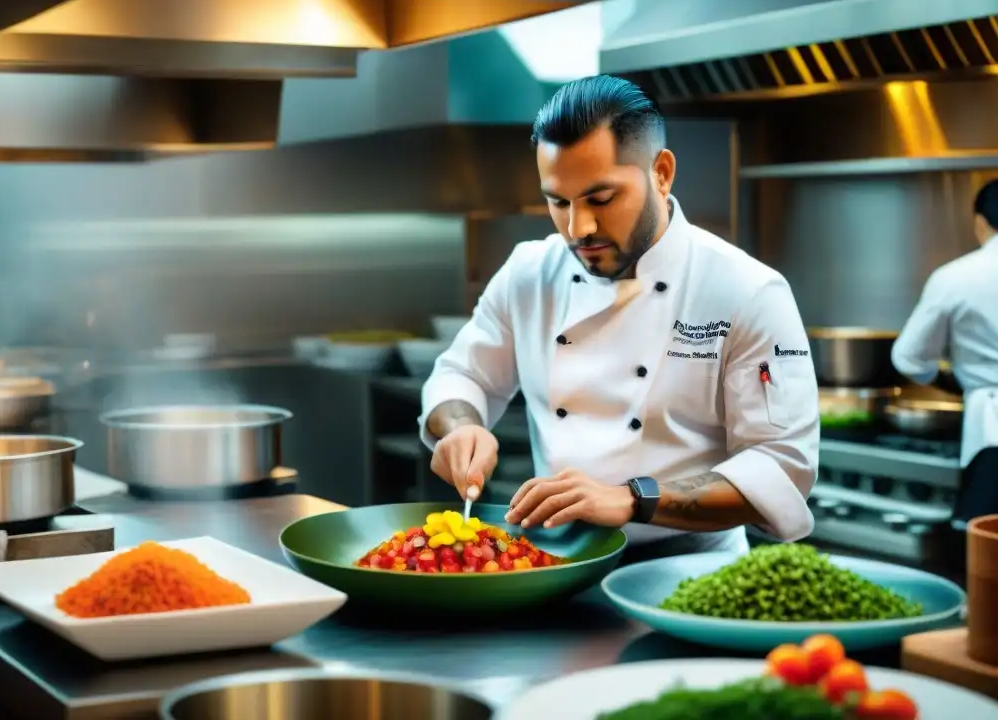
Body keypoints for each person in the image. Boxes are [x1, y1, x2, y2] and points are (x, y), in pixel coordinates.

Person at [417, 75, 820, 560]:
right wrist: (462, 426)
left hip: (691, 573)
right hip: (554, 562)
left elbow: (780, 467)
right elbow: (462, 375)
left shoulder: (747, 290)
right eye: (558, 202)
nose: (578, 228)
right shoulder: (529, 271)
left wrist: (633, 498)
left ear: (662, 173)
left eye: (601, 199)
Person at [892, 180, 998, 525]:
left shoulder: (956, 277)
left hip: (992, 432)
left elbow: (908, 356)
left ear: (980, 223)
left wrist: (950, 381)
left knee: (986, 553)